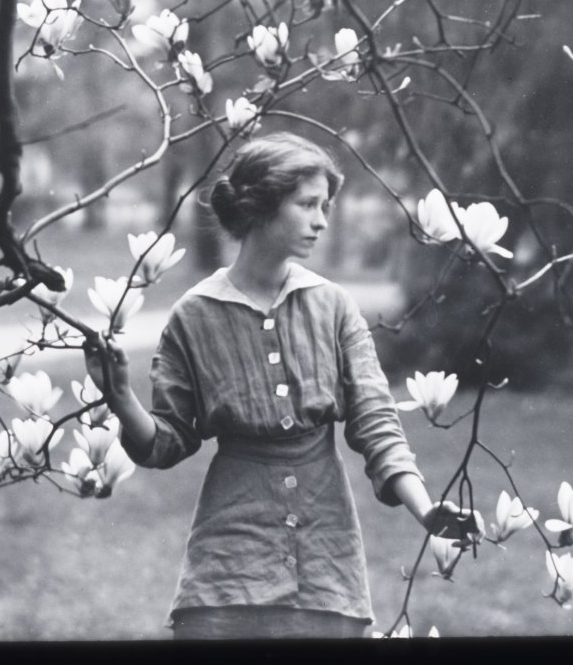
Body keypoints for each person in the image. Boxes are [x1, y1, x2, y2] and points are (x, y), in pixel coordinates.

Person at [84, 131, 473, 640]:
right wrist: (118, 396)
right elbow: (165, 441)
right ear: (261, 206)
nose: (321, 220)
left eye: (325, 206)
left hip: (326, 556)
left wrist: (426, 511)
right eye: (307, 204)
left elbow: (378, 424)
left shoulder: (334, 307)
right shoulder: (193, 315)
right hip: (228, 565)